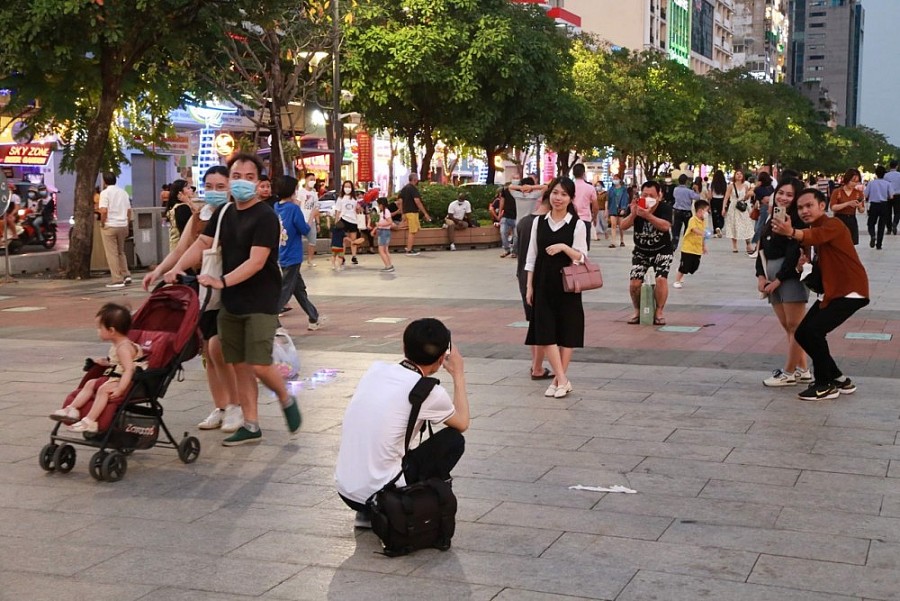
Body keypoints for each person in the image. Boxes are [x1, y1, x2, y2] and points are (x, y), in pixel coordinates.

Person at [170, 153, 299, 446]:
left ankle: (284, 397)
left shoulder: (266, 217)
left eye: (249, 178)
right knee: (239, 364)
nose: (242, 183)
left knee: (258, 364)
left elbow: (256, 262)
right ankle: (251, 424)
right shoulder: (225, 213)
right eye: (237, 177)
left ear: (259, 182)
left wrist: (221, 280)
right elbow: (202, 245)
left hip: (261, 302)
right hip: (230, 302)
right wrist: (174, 269)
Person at [334, 318, 470, 528]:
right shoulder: (430, 392)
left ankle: (369, 512)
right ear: (443, 357)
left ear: (404, 347)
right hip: (382, 492)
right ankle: (395, 506)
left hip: (346, 490)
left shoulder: (375, 370)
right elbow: (462, 423)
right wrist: (459, 374)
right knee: (453, 440)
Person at [145, 166, 241, 434]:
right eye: (208, 186)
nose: (213, 192)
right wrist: (159, 271)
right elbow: (181, 249)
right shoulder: (200, 215)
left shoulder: (236, 215)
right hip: (202, 291)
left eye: (220, 187)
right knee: (208, 354)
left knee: (217, 348)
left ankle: (236, 405)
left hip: (228, 288)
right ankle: (221, 406)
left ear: (231, 187)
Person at [771, 188, 869, 401]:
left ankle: (824, 384)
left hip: (850, 291)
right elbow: (817, 274)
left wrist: (791, 233)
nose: (804, 211)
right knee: (804, 332)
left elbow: (814, 235)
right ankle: (839, 379)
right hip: (832, 292)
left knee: (813, 332)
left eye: (809, 206)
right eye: (800, 207)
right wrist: (802, 267)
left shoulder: (832, 225)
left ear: (822, 206)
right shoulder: (811, 233)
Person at [524, 177, 588, 399]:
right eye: (555, 193)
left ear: (570, 198)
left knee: (567, 333)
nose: (558, 198)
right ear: (549, 195)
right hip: (542, 282)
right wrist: (529, 286)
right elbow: (531, 256)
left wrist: (563, 247)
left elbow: (581, 256)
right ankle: (562, 379)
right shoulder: (538, 222)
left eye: (563, 194)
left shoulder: (577, 224)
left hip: (568, 285)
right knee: (545, 333)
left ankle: (557, 380)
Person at [51, 303, 146, 433]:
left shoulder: (123, 348)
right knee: (90, 383)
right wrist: (106, 363)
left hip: (128, 382)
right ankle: (72, 409)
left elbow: (129, 369)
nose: (97, 331)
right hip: (116, 377)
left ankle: (90, 420)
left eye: (99, 328)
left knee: (102, 390)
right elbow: (119, 364)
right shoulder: (118, 345)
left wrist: (120, 388)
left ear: (111, 331)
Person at [755, 178, 812, 387]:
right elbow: (761, 248)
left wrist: (777, 280)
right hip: (771, 279)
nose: (784, 198)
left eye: (789, 195)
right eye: (781, 193)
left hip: (790, 279)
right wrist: (761, 276)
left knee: (796, 327)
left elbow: (793, 254)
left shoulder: (796, 224)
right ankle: (803, 370)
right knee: (788, 327)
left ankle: (789, 373)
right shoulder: (772, 218)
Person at [620, 181, 674, 326]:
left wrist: (648, 216)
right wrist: (633, 215)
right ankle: (637, 310)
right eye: (645, 195)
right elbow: (623, 226)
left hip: (662, 250)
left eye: (652, 195)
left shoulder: (665, 208)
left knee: (661, 279)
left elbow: (665, 226)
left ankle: (659, 312)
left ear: (659, 196)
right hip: (641, 251)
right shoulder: (636, 207)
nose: (648, 198)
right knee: (635, 283)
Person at [274, 175, 321, 331]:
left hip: (282, 252)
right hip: (293, 255)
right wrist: (312, 216)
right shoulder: (293, 209)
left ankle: (313, 316)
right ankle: (271, 317)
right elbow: (304, 230)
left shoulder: (276, 207)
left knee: (298, 288)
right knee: (287, 288)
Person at [516, 189, 553, 380]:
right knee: (542, 325)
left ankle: (535, 365)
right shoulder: (546, 224)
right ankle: (538, 368)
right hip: (541, 279)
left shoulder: (523, 222)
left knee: (534, 323)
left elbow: (517, 251)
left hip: (523, 277)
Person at [98, 172, 133, 288]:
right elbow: (129, 211)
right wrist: (127, 224)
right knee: (120, 251)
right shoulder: (123, 192)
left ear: (104, 181)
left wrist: (103, 223)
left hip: (110, 225)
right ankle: (126, 274)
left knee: (112, 253)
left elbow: (103, 211)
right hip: (123, 224)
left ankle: (117, 279)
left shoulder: (104, 193)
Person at [672, 199, 709, 289]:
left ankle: (681, 269)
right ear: (700, 211)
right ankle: (677, 280)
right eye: (706, 210)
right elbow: (694, 229)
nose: (707, 213)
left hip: (697, 249)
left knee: (694, 267)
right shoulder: (692, 220)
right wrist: (702, 233)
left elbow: (703, 236)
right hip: (688, 248)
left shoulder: (704, 221)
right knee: (685, 266)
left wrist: (704, 246)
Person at [829, 168, 865, 245]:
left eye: (856, 182)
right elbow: (833, 207)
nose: (854, 184)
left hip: (851, 219)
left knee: (850, 244)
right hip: (839, 219)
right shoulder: (837, 192)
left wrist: (859, 207)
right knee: (839, 243)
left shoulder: (858, 193)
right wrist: (847, 203)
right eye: (852, 181)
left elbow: (862, 210)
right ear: (847, 179)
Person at [723, 170, 754, 254]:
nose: (739, 175)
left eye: (741, 174)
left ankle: (748, 244)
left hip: (742, 207)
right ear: (734, 176)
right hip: (733, 207)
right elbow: (726, 197)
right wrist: (723, 208)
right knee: (734, 225)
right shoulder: (730, 186)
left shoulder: (746, 186)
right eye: (737, 174)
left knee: (746, 225)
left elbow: (747, 197)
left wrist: (749, 195)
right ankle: (734, 246)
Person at [399, 173, 431, 255]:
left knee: (413, 230)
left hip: (407, 212)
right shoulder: (413, 189)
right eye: (417, 179)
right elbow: (417, 201)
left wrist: (402, 212)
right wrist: (425, 213)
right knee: (412, 231)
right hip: (412, 212)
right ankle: (409, 250)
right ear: (414, 180)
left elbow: (400, 201)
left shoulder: (404, 188)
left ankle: (409, 247)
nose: (417, 181)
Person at [571, 164, 598, 250]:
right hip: (585, 219)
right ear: (584, 173)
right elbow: (595, 206)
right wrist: (594, 217)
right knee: (584, 247)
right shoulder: (590, 188)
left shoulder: (570, 187)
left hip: (571, 219)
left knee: (571, 245)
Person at [864, 165, 892, 250]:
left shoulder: (871, 183)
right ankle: (879, 245)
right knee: (881, 225)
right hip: (884, 205)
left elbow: (865, 194)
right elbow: (891, 196)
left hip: (874, 205)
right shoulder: (888, 183)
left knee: (871, 223)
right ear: (884, 174)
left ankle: (872, 235)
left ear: (876, 173)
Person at [335, 181, 362, 265]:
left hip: (353, 220)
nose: (347, 188)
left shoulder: (354, 198)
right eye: (345, 186)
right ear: (343, 188)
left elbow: (357, 211)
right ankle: (342, 257)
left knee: (353, 240)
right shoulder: (340, 198)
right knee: (343, 240)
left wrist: (358, 208)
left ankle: (354, 256)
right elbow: (338, 210)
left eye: (349, 186)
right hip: (343, 220)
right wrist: (336, 221)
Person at [165, 180, 195, 252]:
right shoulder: (183, 208)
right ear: (180, 193)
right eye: (188, 188)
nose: (191, 190)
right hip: (183, 250)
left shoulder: (174, 207)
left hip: (175, 247)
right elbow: (187, 231)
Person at [671, 174, 701, 248]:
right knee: (688, 228)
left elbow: (674, 196)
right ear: (686, 181)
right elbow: (697, 197)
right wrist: (696, 190)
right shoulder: (689, 191)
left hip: (677, 210)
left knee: (676, 229)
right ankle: (686, 243)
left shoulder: (675, 189)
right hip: (686, 211)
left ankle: (674, 244)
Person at [749, 171, 774, 256]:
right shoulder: (771, 188)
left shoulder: (758, 189)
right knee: (764, 227)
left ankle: (758, 248)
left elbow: (759, 197)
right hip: (769, 209)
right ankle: (758, 247)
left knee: (759, 228)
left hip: (763, 209)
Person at [298, 173, 320, 265]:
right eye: (311, 179)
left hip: (312, 221)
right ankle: (298, 259)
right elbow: (297, 205)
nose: (312, 182)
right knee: (298, 241)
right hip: (302, 220)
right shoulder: (301, 192)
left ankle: (310, 260)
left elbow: (316, 209)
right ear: (306, 180)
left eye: (314, 180)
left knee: (312, 241)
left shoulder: (315, 194)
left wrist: (318, 223)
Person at [374, 197, 395, 272]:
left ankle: (388, 266)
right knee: (385, 250)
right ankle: (389, 265)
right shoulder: (385, 211)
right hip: (385, 231)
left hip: (384, 231)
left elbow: (389, 221)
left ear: (381, 204)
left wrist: (379, 224)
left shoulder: (385, 211)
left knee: (381, 250)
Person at [606, 176, 628, 248]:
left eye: (616, 179)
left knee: (621, 226)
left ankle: (622, 240)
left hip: (621, 209)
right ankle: (613, 242)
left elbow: (625, 199)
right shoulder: (611, 189)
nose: (615, 180)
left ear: (620, 180)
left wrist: (623, 208)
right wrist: (607, 210)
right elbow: (608, 200)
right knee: (613, 225)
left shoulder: (624, 189)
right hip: (612, 208)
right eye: (614, 179)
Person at [498, 184, 518, 257]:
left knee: (516, 236)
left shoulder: (520, 191)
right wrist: (500, 212)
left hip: (517, 216)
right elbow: (502, 200)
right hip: (506, 215)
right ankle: (507, 249)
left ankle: (515, 251)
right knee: (503, 232)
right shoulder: (505, 191)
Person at [709, 170, 727, 238]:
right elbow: (726, 194)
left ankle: (715, 228)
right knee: (721, 214)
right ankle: (720, 226)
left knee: (714, 215)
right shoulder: (725, 184)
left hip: (714, 200)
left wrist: (709, 202)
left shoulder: (712, 184)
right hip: (722, 200)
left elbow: (710, 195)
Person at [885, 160, 900, 235]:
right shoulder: (899, 175)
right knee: (897, 212)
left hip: (888, 196)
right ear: (897, 166)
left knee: (888, 213)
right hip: (898, 195)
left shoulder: (886, 175)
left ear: (889, 166)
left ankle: (889, 228)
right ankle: (895, 223)